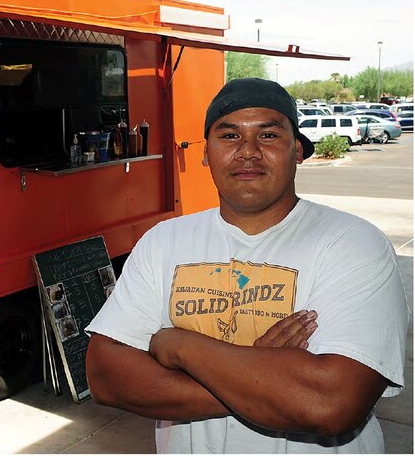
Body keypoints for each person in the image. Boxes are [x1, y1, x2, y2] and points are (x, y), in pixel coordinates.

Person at [85, 78, 409, 453]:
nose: (248, 152)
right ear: (207, 153)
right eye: (229, 136)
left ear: (298, 151)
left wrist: (179, 346)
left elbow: (330, 404)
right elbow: (105, 375)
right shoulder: (164, 241)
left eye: (269, 135)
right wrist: (265, 380)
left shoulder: (353, 243)